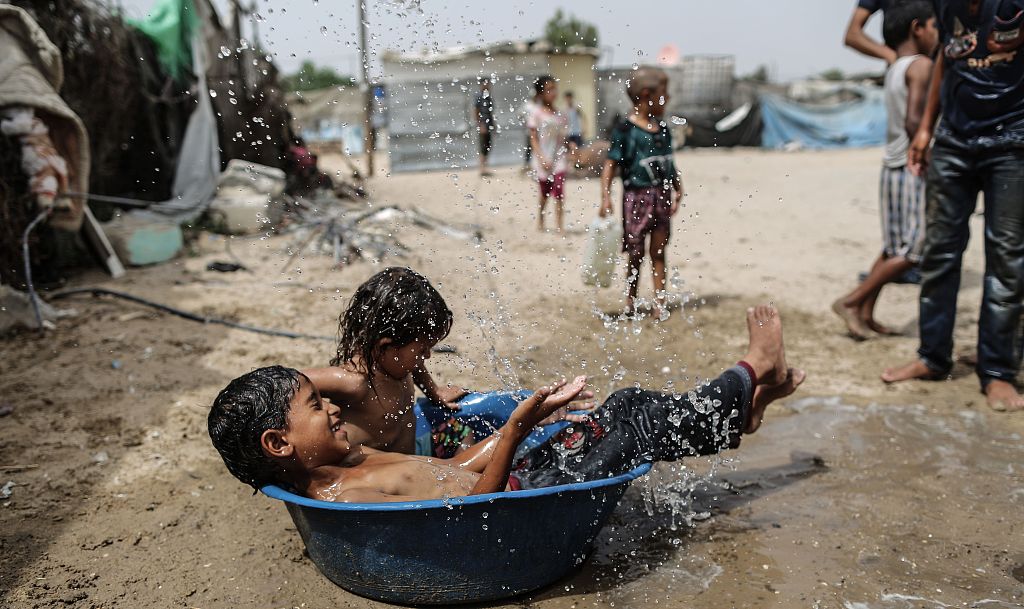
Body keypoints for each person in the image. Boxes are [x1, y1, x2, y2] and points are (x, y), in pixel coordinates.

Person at [208, 305, 805, 502]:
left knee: (625, 403)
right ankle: (749, 371)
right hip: (522, 494)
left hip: (517, 474)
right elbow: (475, 507)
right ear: (278, 442)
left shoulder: (350, 462)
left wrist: (529, 421)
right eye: (316, 408)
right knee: (638, 427)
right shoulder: (349, 494)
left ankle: (741, 410)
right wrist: (516, 430)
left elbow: (452, 469)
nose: (333, 410)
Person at [882, 0, 1024, 412]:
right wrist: (926, 128)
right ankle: (932, 356)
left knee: (1007, 259)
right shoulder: (945, 6)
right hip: (954, 143)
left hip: (1013, 143)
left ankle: (997, 371)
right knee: (939, 253)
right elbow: (944, 58)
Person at [300, 267, 594, 458]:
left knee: (463, 433)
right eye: (422, 349)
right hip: (372, 472)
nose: (426, 357)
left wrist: (433, 390)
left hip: (415, 451)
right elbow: (288, 382)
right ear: (385, 346)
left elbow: (415, 366)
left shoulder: (397, 362)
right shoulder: (352, 381)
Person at [833, 1, 938, 340]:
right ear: (917, 28)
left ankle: (864, 314)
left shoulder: (894, 67)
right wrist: (930, 158)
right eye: (935, 27)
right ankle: (851, 301)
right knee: (914, 250)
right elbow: (913, 122)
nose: (939, 35)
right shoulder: (922, 65)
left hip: (891, 166)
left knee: (893, 248)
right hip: (912, 167)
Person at [600, 67, 684, 319]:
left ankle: (660, 302)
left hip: (662, 196)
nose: (668, 99)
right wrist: (605, 196)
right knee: (635, 253)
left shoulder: (663, 129)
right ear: (647, 94)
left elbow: (668, 162)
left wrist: (678, 186)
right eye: (664, 94)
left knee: (658, 251)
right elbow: (610, 165)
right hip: (636, 199)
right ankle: (631, 301)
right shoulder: (625, 131)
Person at [528, 75, 570, 233]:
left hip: (558, 158)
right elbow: (533, 139)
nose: (553, 92)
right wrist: (542, 158)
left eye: (554, 89)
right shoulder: (536, 114)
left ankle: (560, 226)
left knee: (559, 191)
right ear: (540, 93)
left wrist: (571, 147)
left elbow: (563, 138)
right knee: (545, 192)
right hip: (542, 157)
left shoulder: (560, 115)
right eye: (549, 90)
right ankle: (541, 218)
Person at [474, 78, 495, 177]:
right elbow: (476, 112)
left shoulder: (489, 97)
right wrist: (480, 125)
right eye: (485, 84)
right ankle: (482, 169)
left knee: (488, 147)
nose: (487, 86)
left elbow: (491, 113)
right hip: (483, 125)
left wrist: (493, 125)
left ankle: (485, 168)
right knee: (483, 147)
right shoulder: (479, 97)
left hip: (489, 125)